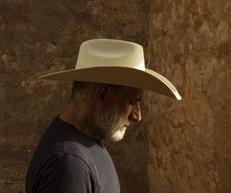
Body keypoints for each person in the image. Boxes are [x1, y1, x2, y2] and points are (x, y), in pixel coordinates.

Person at [25, 39, 181, 193]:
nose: (137, 116)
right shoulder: (69, 165)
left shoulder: (85, 143)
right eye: (132, 102)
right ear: (103, 95)